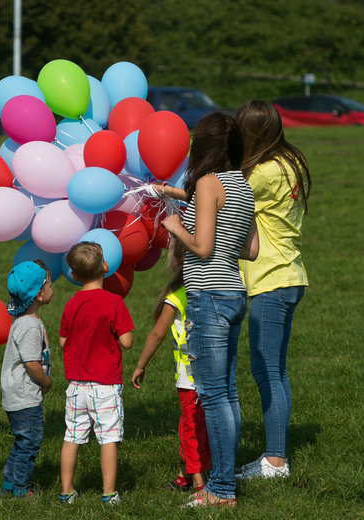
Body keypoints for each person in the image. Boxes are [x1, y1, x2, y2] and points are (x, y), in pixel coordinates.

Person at [160, 112, 259, 507]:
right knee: (227, 394)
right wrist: (179, 195)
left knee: (213, 396)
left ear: (202, 145)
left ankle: (220, 490)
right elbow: (250, 250)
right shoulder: (242, 186)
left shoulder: (206, 182)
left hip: (207, 294)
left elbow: (201, 247)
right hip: (235, 292)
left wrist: (174, 227)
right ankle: (224, 479)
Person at [234, 100, 311, 480]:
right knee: (275, 370)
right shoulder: (288, 163)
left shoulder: (263, 173)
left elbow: (226, 199)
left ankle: (276, 461)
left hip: (271, 280)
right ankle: (274, 456)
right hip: (288, 275)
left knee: (267, 371)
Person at [58, 241, 134, 506]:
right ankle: (108, 493)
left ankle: (66, 492)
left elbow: (63, 341)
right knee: (108, 439)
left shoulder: (71, 303)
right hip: (105, 385)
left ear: (74, 276)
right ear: (105, 267)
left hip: (76, 385)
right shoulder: (114, 302)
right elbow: (126, 342)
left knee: (71, 437)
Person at [131, 241, 211, 493]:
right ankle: (185, 475)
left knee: (190, 429)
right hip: (215, 373)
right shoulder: (211, 289)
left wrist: (141, 365)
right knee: (202, 426)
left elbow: (156, 334)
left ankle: (199, 484)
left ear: (177, 262)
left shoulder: (176, 297)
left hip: (189, 377)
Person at [0, 260, 53, 499]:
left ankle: (8, 485)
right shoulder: (30, 326)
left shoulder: (21, 321)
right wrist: (46, 381)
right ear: (39, 294)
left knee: (22, 441)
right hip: (24, 395)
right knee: (30, 441)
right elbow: (32, 363)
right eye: (49, 285)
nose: (53, 288)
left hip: (16, 394)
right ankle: (20, 489)